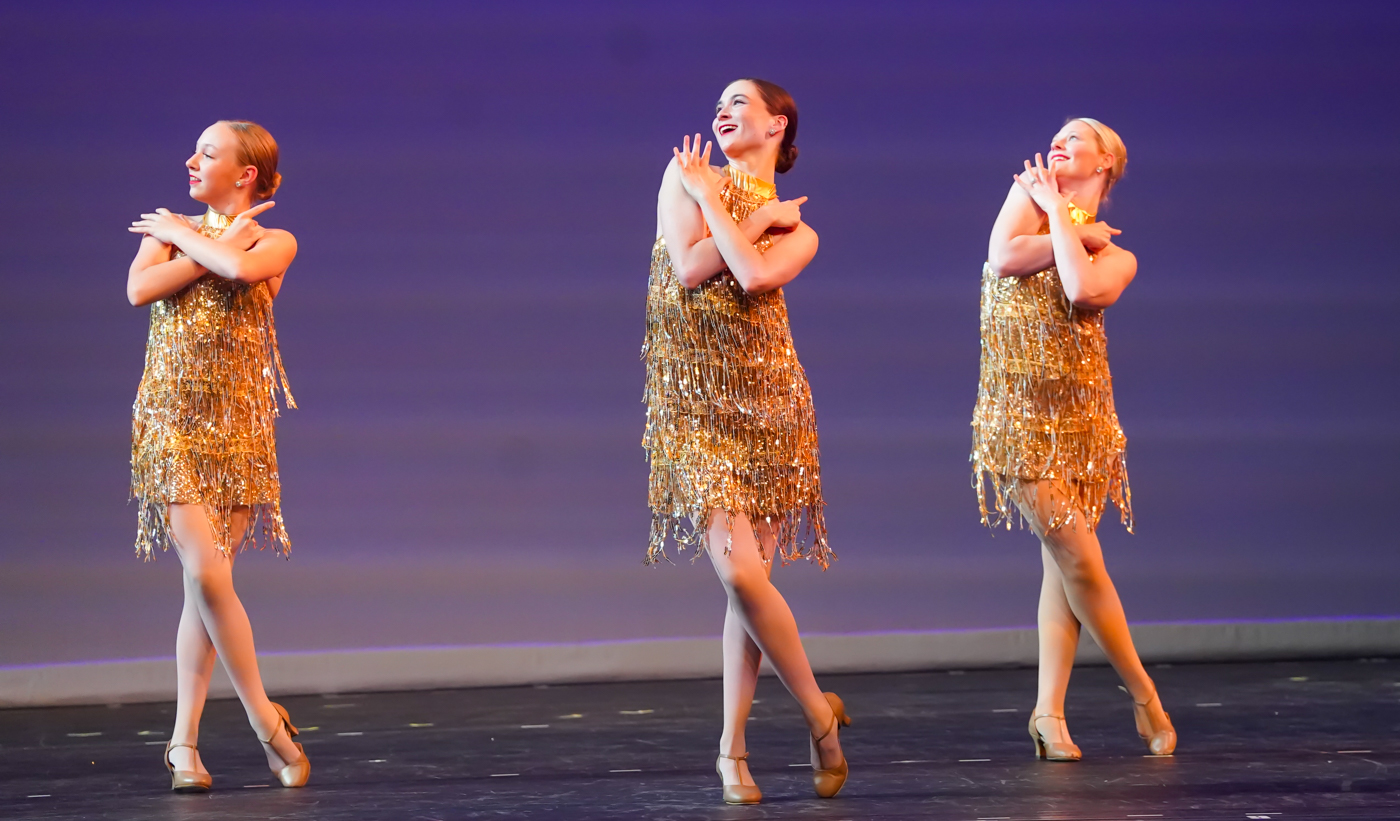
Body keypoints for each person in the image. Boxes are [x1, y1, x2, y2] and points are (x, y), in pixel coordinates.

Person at [642, 79, 850, 803]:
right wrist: (746, 209)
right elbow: (690, 268)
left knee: (747, 586)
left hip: (770, 408)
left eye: (739, 103)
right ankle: (819, 713)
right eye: (718, 105)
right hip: (694, 407)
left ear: (777, 124)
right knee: (739, 575)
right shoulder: (686, 175)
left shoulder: (802, 231)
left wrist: (752, 216)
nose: (722, 112)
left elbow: (756, 275)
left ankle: (732, 749)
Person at [972, 118, 1176, 761]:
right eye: (1055, 137)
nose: (1058, 143)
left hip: (1083, 425)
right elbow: (1004, 257)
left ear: (1105, 162)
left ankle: (1048, 714)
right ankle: (1144, 694)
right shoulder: (1026, 198)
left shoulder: (1116, 255)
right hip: (1016, 421)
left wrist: (1066, 219)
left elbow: (1083, 287)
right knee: (1081, 563)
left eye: (1075, 137)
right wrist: (1061, 217)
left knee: (1062, 569)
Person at [127, 120, 309, 791]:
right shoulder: (166, 230)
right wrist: (194, 239)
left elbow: (239, 268)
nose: (190, 160)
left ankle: (183, 745)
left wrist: (202, 242)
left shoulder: (274, 240)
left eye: (206, 152)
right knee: (206, 577)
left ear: (245, 174)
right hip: (170, 423)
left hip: (238, 432)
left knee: (203, 587)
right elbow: (139, 290)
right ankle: (267, 722)